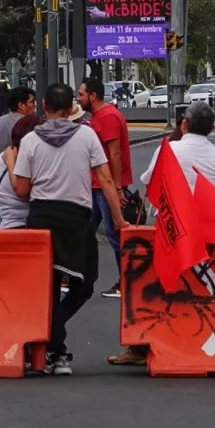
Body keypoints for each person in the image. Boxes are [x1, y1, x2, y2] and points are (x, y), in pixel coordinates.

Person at [13, 83, 126, 375]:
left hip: (41, 219)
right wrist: (119, 220)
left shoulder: (30, 141)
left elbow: (23, 190)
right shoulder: (87, 135)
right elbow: (106, 179)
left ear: (43, 106)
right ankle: (56, 346)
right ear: (71, 108)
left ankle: (50, 341)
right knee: (86, 282)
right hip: (76, 219)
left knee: (47, 286)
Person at [109, 102, 215, 366]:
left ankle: (140, 347)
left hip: (168, 232)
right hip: (204, 234)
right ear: (212, 128)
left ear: (184, 124)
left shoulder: (170, 149)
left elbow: (149, 180)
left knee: (150, 291)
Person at [78, 79, 132, 299]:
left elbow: (115, 153)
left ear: (92, 96)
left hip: (105, 186)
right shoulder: (99, 117)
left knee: (114, 234)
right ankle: (78, 275)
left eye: (81, 94)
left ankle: (127, 282)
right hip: (98, 185)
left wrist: (117, 189)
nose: (78, 98)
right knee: (85, 230)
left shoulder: (107, 117)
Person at [0, 115, 43, 230]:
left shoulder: (4, 156)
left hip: (7, 223)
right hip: (24, 225)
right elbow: (23, 191)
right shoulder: (22, 160)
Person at [0, 87, 36, 168]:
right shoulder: (30, 124)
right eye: (32, 102)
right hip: (19, 177)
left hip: (0, 175)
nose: (35, 105)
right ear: (21, 105)